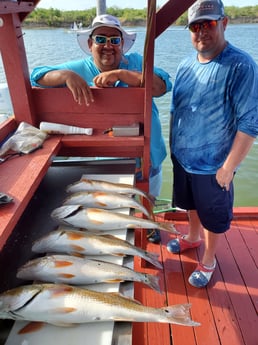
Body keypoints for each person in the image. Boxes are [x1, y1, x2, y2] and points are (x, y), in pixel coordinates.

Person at [30, 14, 172, 244]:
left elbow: (162, 86)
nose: (108, 46)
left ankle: (148, 224)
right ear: (90, 44)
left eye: (115, 40)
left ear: (122, 45)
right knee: (113, 209)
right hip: (110, 160)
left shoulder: (136, 62)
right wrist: (66, 75)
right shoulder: (79, 67)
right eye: (100, 39)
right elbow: (37, 76)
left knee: (148, 198)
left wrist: (123, 75)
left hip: (148, 155)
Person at [167, 0, 258, 287]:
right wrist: (174, 153)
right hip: (182, 160)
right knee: (190, 205)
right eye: (195, 26)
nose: (201, 31)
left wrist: (229, 167)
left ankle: (209, 259)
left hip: (213, 166)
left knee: (213, 217)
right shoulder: (184, 65)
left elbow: (249, 123)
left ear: (224, 23)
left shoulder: (241, 65)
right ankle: (193, 238)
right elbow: (175, 109)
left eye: (208, 24)